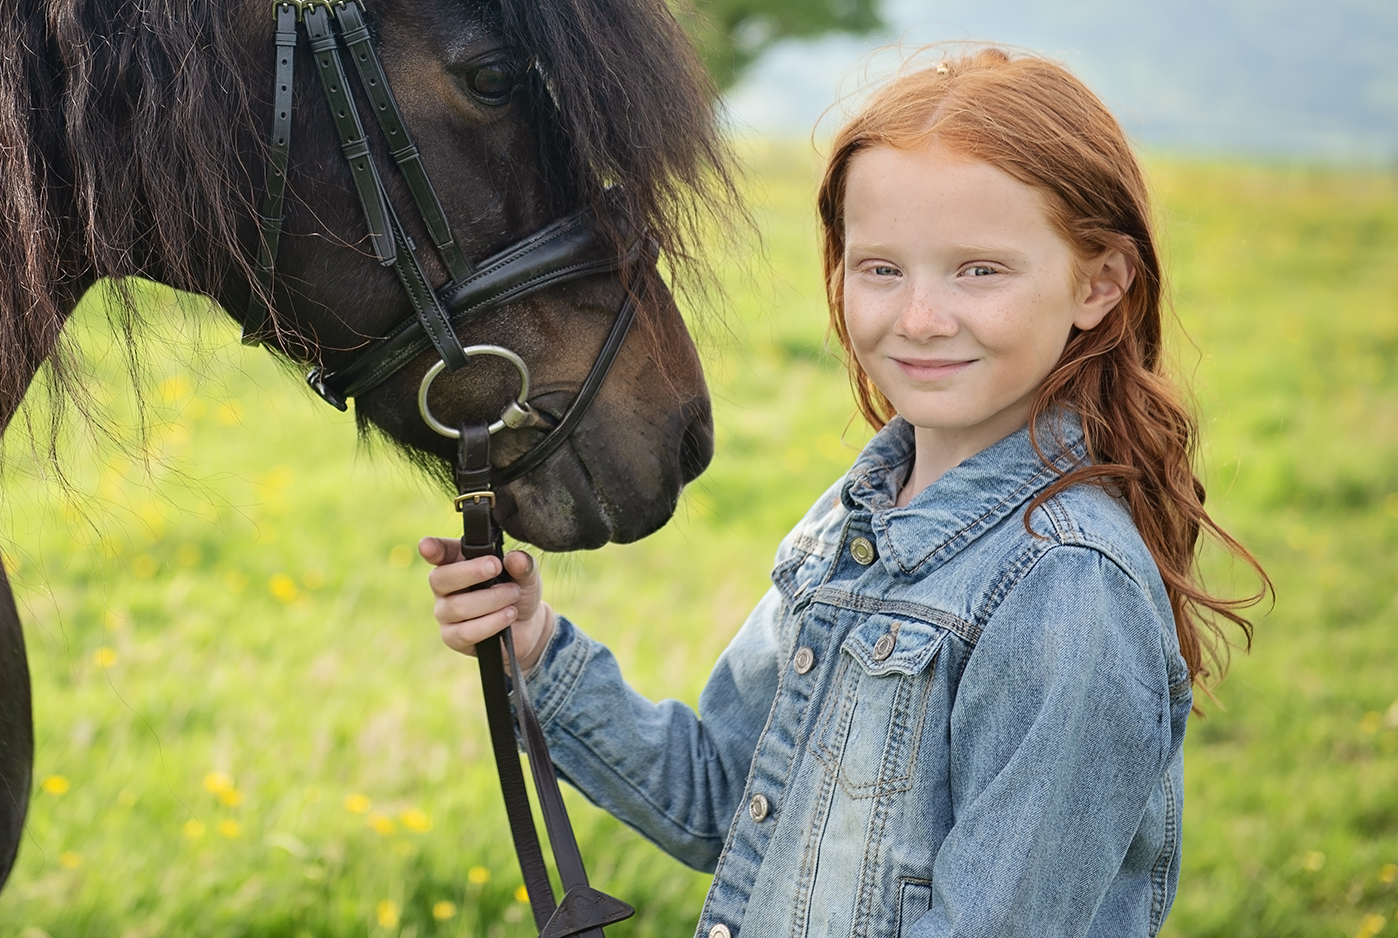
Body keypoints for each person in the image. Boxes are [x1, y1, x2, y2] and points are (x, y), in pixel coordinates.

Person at [419, 49, 1263, 937]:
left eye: (980, 270)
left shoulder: (1068, 584)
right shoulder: (852, 519)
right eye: (881, 268)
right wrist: (536, 649)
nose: (920, 318)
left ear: (1099, 283)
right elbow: (724, 797)